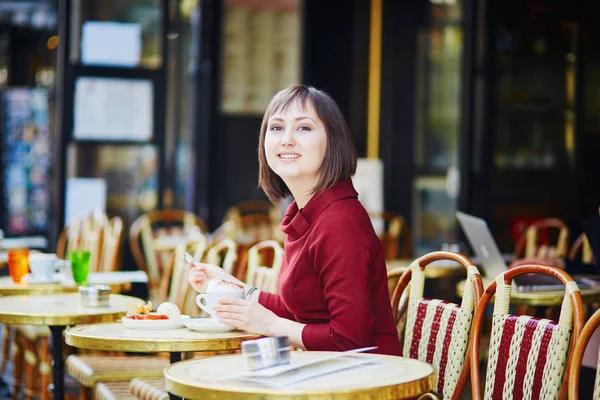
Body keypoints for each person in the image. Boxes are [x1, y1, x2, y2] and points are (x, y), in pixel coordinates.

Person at [188, 84, 402, 356]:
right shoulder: (306, 215)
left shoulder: (340, 221)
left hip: (368, 382)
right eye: (276, 128)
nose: (287, 139)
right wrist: (233, 288)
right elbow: (301, 312)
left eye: (304, 128)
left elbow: (351, 340)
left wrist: (271, 324)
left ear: (333, 140)